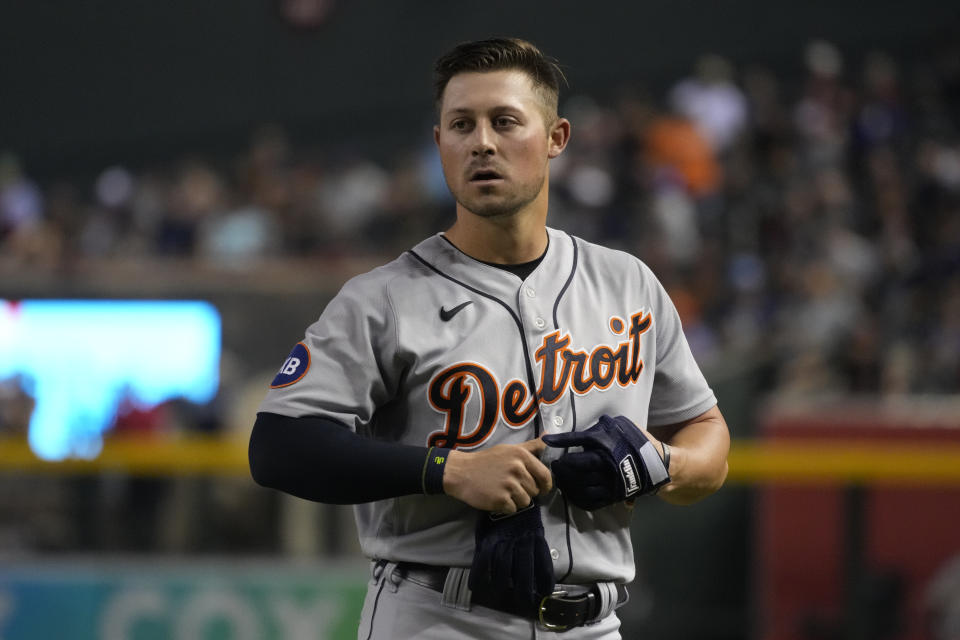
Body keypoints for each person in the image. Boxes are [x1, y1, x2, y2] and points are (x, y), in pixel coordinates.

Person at [249, 37, 730, 639]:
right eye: (461, 125)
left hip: (596, 623)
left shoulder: (626, 282)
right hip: (439, 615)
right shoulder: (385, 298)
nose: (481, 141)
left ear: (556, 138)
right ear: (439, 144)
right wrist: (447, 471)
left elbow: (709, 437)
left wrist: (660, 464)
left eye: (505, 122)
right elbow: (277, 447)